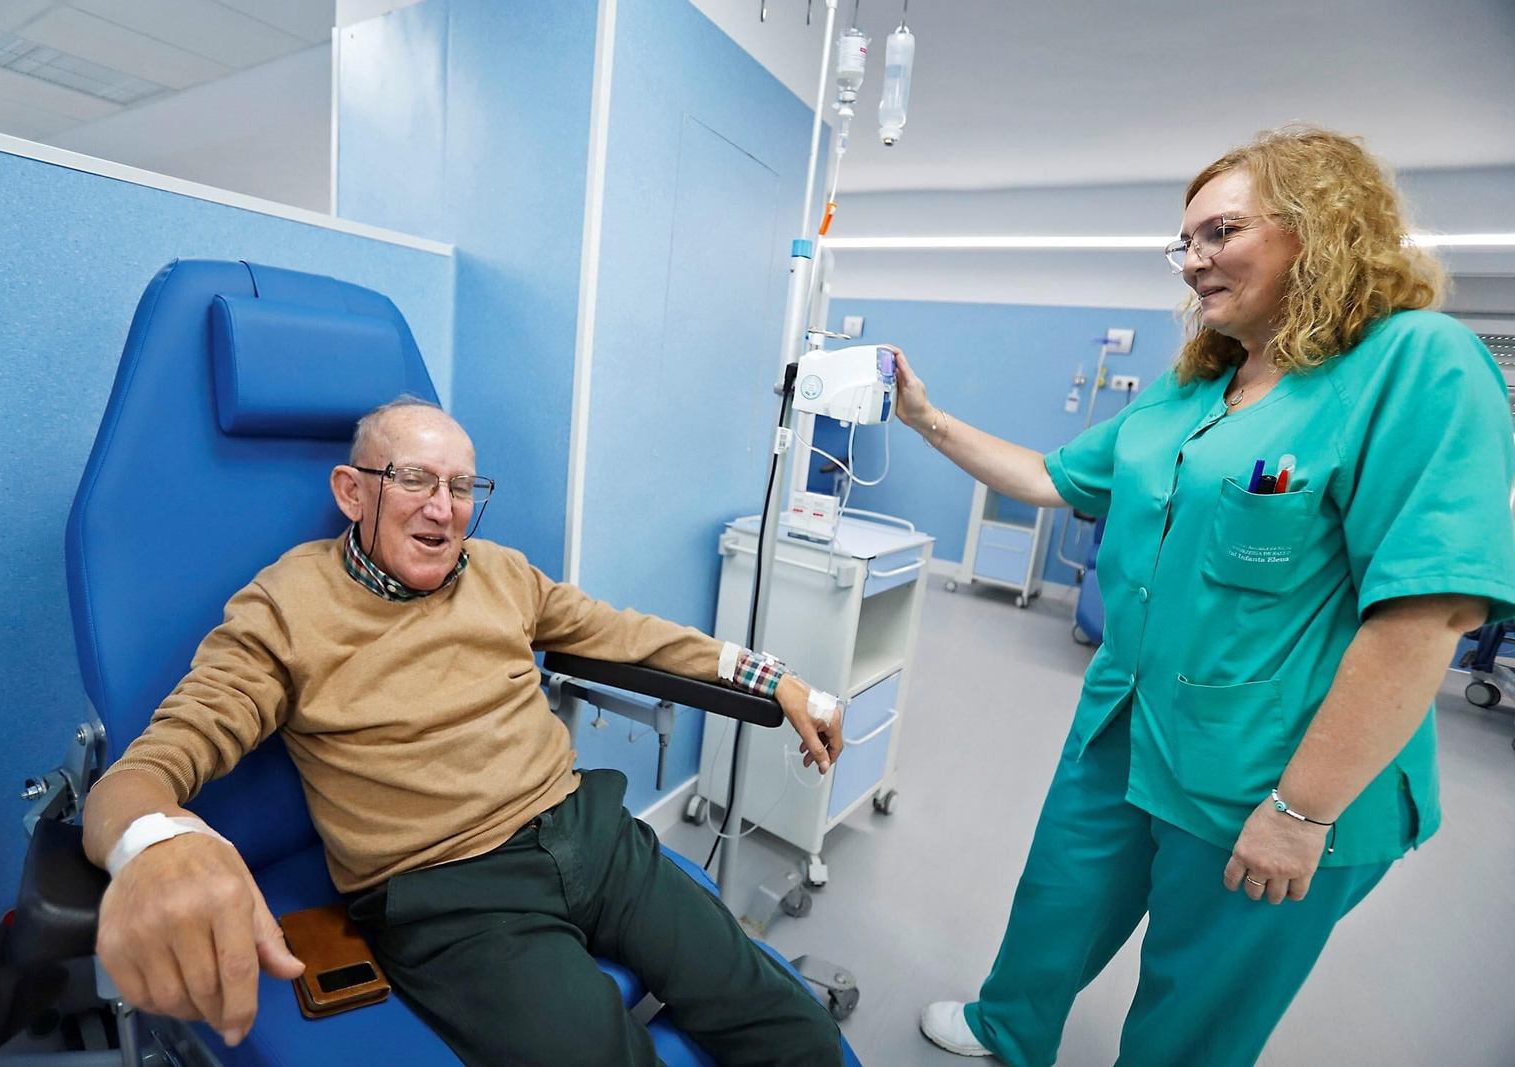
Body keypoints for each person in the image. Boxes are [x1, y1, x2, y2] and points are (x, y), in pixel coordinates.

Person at [904, 126, 1515, 1065]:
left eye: (1218, 233)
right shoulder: (1193, 387)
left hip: (1273, 766)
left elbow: (1425, 612)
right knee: (1057, 899)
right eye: (1182, 242)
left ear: (1318, 226)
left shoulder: (1414, 365)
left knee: (1197, 1003)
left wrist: (1301, 811)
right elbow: (1051, 477)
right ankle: (1007, 1026)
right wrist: (925, 416)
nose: (1192, 261)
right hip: (1127, 723)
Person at [82, 398, 847, 1067]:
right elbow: (155, 762)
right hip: (452, 893)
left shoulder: (501, 572)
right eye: (414, 478)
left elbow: (626, 634)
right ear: (352, 492)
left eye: (460, 486)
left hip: (592, 834)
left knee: (784, 1021)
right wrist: (155, 842)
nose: (443, 508)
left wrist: (770, 675)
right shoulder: (284, 608)